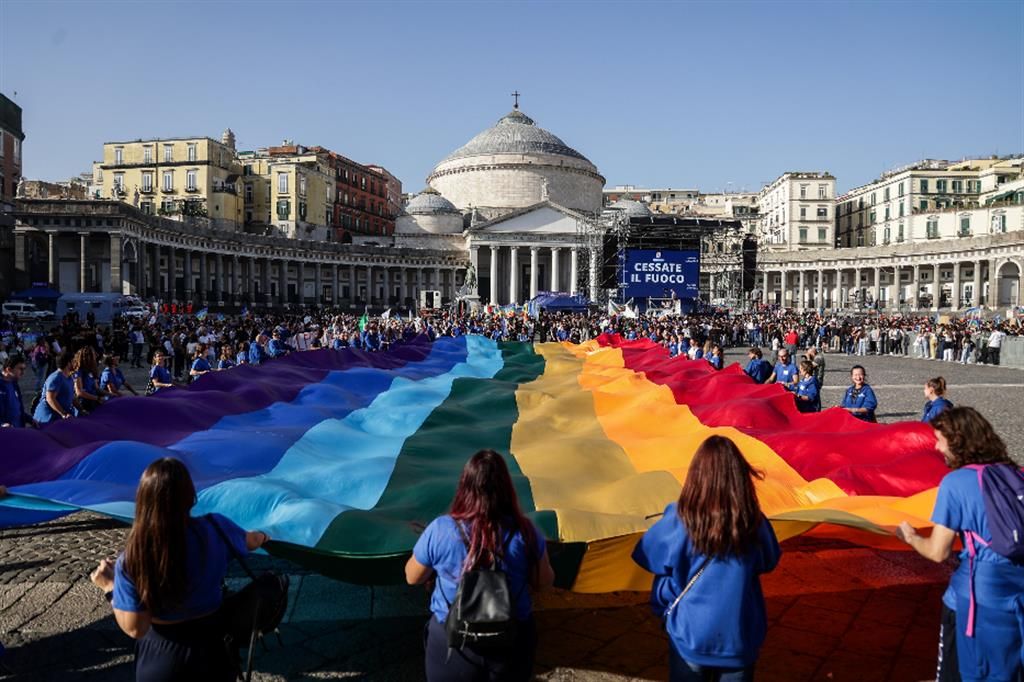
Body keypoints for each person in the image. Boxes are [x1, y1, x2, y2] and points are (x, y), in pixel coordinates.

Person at [89, 457, 269, 680]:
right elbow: (250, 541)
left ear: (143, 499)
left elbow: (136, 628)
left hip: (163, 657)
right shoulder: (216, 527)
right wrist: (263, 535)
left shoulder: (134, 558)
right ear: (190, 496)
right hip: (214, 647)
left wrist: (110, 586)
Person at [632, 435, 781, 681]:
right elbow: (770, 561)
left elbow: (646, 554)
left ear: (696, 476)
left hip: (690, 635)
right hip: (739, 638)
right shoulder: (755, 522)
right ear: (739, 476)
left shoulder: (680, 518)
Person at [895, 407, 1024, 682]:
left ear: (958, 441)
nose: (937, 447)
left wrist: (909, 536)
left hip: (973, 601)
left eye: (940, 440)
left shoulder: (956, 482)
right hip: (1016, 598)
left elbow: (937, 552)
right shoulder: (1016, 475)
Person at [405, 449, 555, 682]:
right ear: (507, 488)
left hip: (452, 643)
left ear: (465, 485)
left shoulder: (441, 529)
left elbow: (412, 577)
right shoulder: (526, 532)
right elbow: (544, 582)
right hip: (512, 640)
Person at [33, 348, 77, 424]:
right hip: (47, 419)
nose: (76, 363)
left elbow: (71, 397)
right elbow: (50, 398)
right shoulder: (56, 378)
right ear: (68, 363)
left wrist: (81, 409)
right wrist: (64, 414)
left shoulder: (69, 378)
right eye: (74, 361)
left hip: (59, 417)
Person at [0, 355, 32, 428]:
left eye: (24, 369)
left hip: (18, 431)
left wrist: (30, 419)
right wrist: (1, 425)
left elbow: (18, 409)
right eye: (20, 369)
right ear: (8, 369)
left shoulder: (14, 383)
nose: (23, 372)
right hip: (6, 435)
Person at [74, 346, 104, 414]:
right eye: (93, 355)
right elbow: (79, 392)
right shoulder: (78, 371)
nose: (96, 356)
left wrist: (110, 394)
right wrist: (97, 398)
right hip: (83, 405)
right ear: (87, 357)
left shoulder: (90, 370)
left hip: (93, 402)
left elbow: (96, 388)